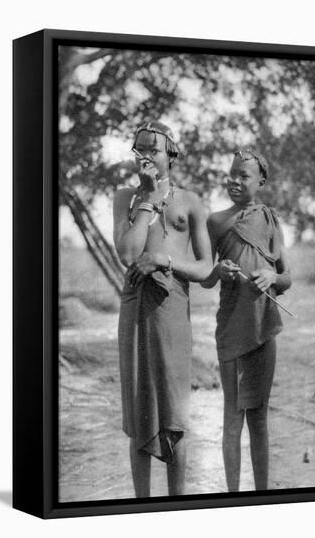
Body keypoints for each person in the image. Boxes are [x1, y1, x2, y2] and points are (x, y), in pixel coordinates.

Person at [113, 121, 212, 497]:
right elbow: (126, 254)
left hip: (171, 310)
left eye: (152, 149)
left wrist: (163, 260)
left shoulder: (190, 202)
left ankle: (177, 506)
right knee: (139, 415)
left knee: (174, 417)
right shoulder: (125, 199)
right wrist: (150, 199)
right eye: (139, 149)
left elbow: (204, 269)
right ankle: (142, 507)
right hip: (135, 309)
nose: (144, 156)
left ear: (171, 153)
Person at [201, 149, 292, 492]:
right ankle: (232, 499)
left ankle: (263, 496)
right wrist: (217, 270)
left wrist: (271, 277)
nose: (234, 181)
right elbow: (203, 277)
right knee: (232, 417)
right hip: (231, 327)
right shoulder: (215, 221)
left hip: (263, 328)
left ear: (260, 182)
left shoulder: (270, 220)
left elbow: (287, 278)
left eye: (244, 176)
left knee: (259, 418)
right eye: (232, 174)